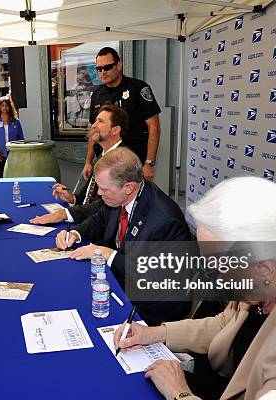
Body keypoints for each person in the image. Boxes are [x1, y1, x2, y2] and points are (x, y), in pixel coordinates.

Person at [113, 177, 276, 400]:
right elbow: (227, 323)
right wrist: (154, 333)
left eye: (216, 263)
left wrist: (179, 393)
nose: (209, 272)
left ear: (264, 268)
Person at [56, 147, 192, 325]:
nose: (99, 193)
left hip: (151, 307)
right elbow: (99, 219)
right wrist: (74, 233)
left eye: (104, 189)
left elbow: (152, 275)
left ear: (128, 187)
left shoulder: (164, 220)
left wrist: (107, 253)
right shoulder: (120, 197)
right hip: (121, 283)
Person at [30, 104, 126, 225]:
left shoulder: (122, 161)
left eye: (100, 121)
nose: (94, 125)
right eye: (95, 121)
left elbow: (104, 205)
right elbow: (89, 199)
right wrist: (72, 198)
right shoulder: (103, 155)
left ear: (115, 130)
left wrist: (63, 214)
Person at [85, 47, 161, 181]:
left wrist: (149, 163)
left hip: (133, 162)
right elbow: (94, 130)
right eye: (99, 69)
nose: (103, 72)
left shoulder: (138, 88)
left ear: (119, 66)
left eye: (107, 67)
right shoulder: (97, 95)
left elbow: (154, 127)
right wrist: (88, 161)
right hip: (105, 162)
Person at [0, 96, 24, 177]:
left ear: (10, 107)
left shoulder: (16, 121)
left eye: (7, 105)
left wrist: (19, 152)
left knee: (14, 175)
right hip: (0, 154)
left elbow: (21, 138)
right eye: (2, 105)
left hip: (14, 153)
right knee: (1, 175)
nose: (5, 107)